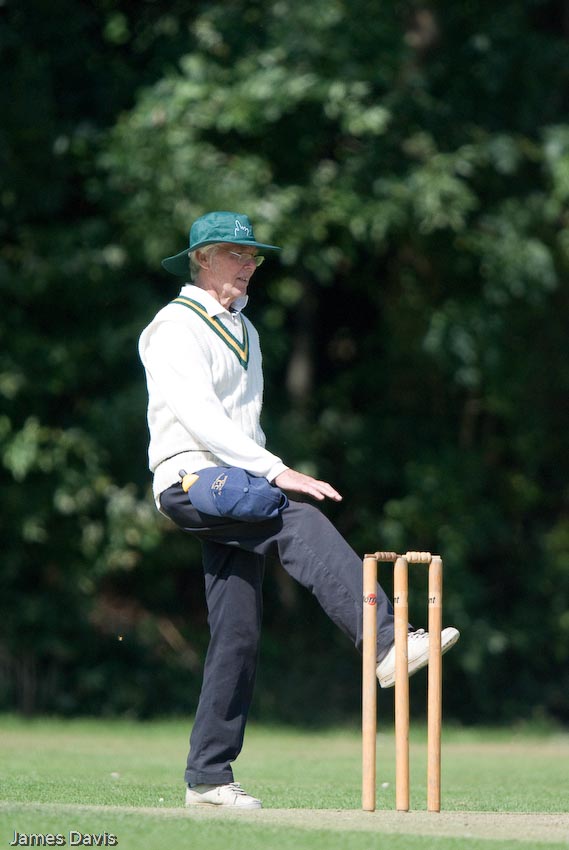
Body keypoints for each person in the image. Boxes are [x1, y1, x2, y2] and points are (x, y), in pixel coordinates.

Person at [138, 211, 459, 810]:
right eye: (237, 255)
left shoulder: (246, 330)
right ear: (202, 259)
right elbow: (199, 415)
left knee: (237, 630)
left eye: (254, 257)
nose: (249, 266)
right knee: (296, 517)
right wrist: (275, 470)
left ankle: (207, 778)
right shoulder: (173, 327)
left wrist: (261, 469)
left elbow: (245, 423)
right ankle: (385, 642)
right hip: (190, 476)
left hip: (234, 481)